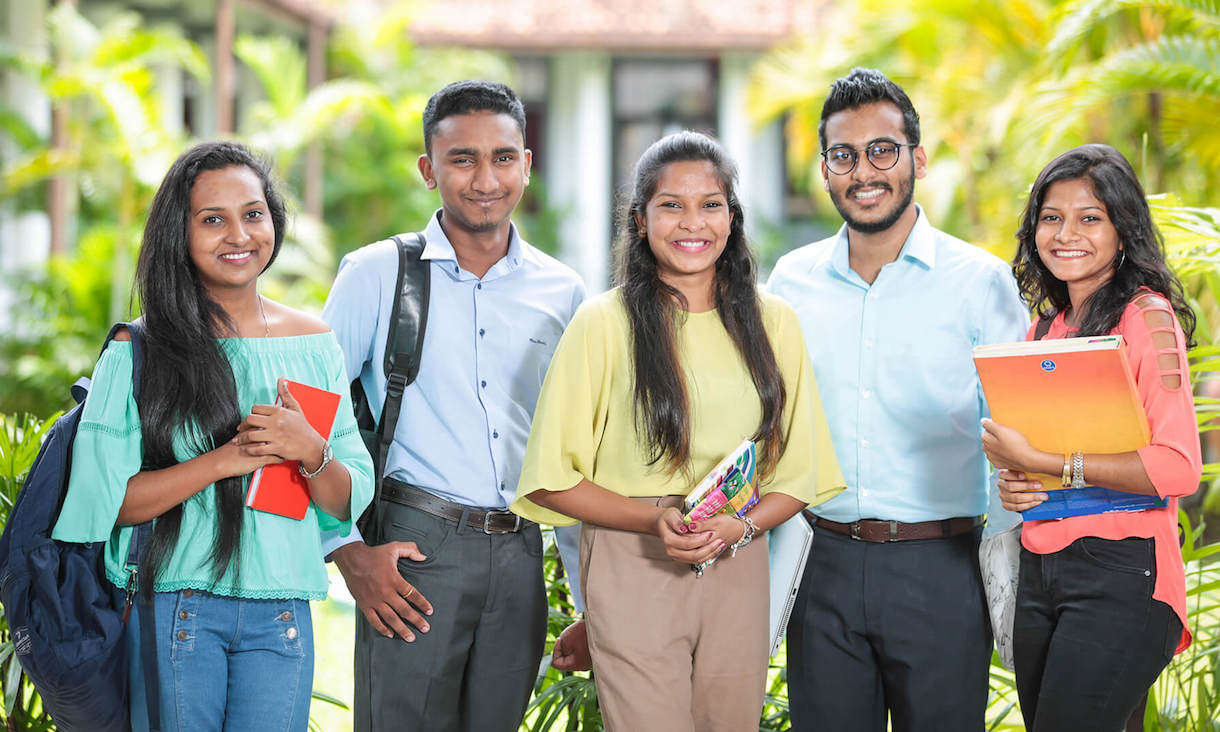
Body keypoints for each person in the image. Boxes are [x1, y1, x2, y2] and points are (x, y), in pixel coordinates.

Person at [511, 130, 844, 732]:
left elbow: (801, 472)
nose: (693, 222)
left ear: (732, 217)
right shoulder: (601, 325)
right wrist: (651, 520)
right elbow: (548, 483)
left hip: (736, 555)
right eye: (671, 205)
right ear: (640, 220)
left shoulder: (776, 324)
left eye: (711, 204)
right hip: (631, 555)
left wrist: (740, 526)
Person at [50, 140, 375, 731]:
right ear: (181, 232)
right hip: (178, 609)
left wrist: (310, 451)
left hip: (283, 617)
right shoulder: (138, 349)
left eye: (253, 214)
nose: (239, 235)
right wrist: (224, 461)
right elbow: (109, 503)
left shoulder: (313, 343)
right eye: (212, 220)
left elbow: (346, 500)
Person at [766, 68, 1031, 732]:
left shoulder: (981, 282)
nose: (864, 170)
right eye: (844, 155)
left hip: (939, 571)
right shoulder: (791, 281)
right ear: (825, 171)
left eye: (883, 149)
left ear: (918, 156)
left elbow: (1021, 429)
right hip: (819, 563)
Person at [320, 80, 587, 731]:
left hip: (522, 554)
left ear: (527, 164)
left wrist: (588, 599)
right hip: (414, 549)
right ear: (427, 170)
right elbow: (306, 418)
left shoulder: (565, 293)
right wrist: (346, 550)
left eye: (502, 157)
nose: (484, 178)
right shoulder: (375, 274)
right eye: (461, 158)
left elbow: (576, 454)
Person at [982, 144, 1201, 731]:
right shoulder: (1042, 330)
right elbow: (1039, 465)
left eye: (1090, 217)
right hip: (1042, 568)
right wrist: (1019, 481)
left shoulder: (1145, 318)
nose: (1066, 233)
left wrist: (1049, 460)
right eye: (1051, 217)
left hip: (1125, 572)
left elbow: (1179, 467)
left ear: (1122, 230)